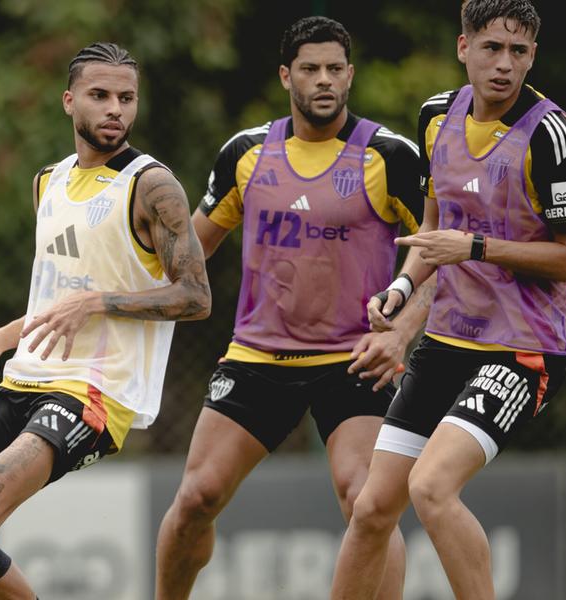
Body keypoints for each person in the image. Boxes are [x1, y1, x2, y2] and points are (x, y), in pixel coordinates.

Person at [154, 16, 425, 600]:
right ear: (286, 76)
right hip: (258, 357)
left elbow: (439, 255)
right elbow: (191, 254)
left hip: (354, 360)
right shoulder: (247, 153)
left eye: (334, 68)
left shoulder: (389, 155)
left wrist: (399, 333)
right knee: (196, 498)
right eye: (310, 69)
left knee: (366, 501)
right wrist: (116, 293)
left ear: (350, 75)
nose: (323, 79)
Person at [0, 42, 211, 600]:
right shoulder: (48, 181)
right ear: (68, 101)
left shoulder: (151, 185)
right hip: (26, 377)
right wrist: (1, 341)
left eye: (127, 98)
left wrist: (99, 302)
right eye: (100, 95)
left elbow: (195, 297)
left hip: (94, 391)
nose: (115, 109)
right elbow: (60, 296)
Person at [330, 1, 566, 598]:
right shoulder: (436, 116)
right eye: (491, 48)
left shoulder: (552, 136)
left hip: (521, 350)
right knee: (372, 509)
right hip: (448, 339)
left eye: (518, 52)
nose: (504, 65)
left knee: (431, 488)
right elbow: (433, 231)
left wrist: (475, 247)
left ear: (533, 56)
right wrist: (401, 289)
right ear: (463, 47)